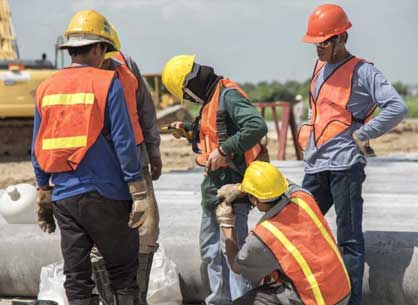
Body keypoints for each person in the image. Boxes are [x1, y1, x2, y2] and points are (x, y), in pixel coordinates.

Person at [32, 10, 152, 305]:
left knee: (76, 277)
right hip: (107, 193)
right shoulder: (106, 82)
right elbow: (124, 140)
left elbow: (38, 144)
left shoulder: (45, 87)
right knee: (123, 273)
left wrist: (43, 189)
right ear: (98, 48)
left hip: (65, 198)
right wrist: (137, 188)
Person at [297, 4, 408, 304]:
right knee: (301, 228)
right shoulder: (319, 67)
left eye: (323, 43)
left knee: (348, 240)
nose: (318, 49)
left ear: (341, 39)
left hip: (345, 166)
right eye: (315, 44)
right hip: (316, 165)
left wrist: (363, 134)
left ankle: (351, 300)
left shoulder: (363, 71)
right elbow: (318, 107)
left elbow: (397, 107)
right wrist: (307, 130)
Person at [161, 55, 268, 305]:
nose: (188, 99)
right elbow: (213, 133)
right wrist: (189, 130)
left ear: (189, 85)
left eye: (186, 94)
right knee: (211, 252)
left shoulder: (227, 96)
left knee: (234, 255)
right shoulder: (211, 99)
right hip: (213, 190)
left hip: (231, 191)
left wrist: (224, 151)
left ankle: (242, 301)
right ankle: (219, 301)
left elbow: (256, 126)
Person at [91, 24, 161, 305]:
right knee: (101, 237)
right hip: (99, 168)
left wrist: (154, 151)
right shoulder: (80, 78)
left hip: (137, 157)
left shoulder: (126, 64)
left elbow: (145, 107)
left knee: (147, 230)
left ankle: (136, 299)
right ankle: (110, 299)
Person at [215, 161, 351, 305]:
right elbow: (284, 184)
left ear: (254, 199)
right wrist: (241, 188)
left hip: (316, 301)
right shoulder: (303, 197)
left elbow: (237, 266)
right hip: (342, 291)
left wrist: (227, 225)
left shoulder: (264, 236)